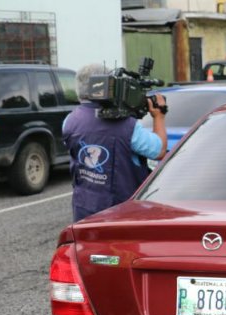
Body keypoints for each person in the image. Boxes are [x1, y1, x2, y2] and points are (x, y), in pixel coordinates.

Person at [62, 63, 167, 222]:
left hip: (83, 209)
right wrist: (159, 116)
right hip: (121, 214)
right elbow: (159, 151)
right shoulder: (127, 126)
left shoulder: (69, 121)